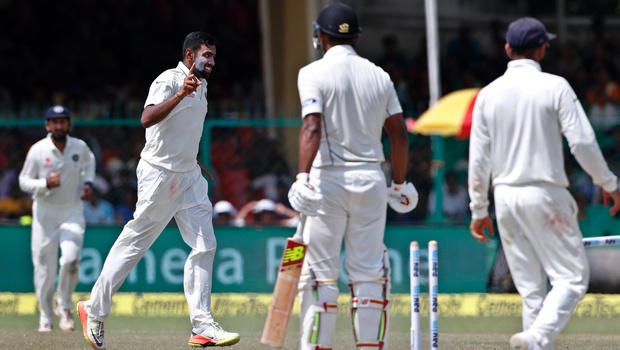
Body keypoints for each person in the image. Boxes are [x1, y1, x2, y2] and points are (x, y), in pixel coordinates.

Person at [77, 32, 240, 350]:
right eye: (207, 55)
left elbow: (183, 129)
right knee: (135, 243)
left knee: (205, 245)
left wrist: (193, 159)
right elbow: (147, 119)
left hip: (189, 176)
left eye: (215, 57)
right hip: (160, 176)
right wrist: (180, 94)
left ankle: (202, 325)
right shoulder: (169, 79)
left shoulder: (202, 86)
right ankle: (93, 309)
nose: (212, 62)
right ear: (190, 56)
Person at [468, 17, 620, 350]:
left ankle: (534, 342)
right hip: (544, 192)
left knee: (531, 290)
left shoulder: (487, 95)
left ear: (508, 49)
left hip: (505, 197)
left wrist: (479, 208)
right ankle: (537, 338)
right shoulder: (555, 86)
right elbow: (581, 141)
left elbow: (479, 159)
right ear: (542, 49)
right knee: (572, 277)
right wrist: (608, 182)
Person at [288, 3, 418, 349]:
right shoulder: (380, 75)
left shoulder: (312, 73)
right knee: (368, 276)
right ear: (357, 37)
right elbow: (399, 135)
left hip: (327, 182)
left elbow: (312, 125)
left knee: (321, 276)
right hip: (372, 182)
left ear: (320, 37)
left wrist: (301, 177)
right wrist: (400, 183)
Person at [19, 105, 96, 333]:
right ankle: (45, 315)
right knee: (44, 270)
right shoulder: (37, 150)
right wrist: (44, 184)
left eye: (63, 121)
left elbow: (89, 163)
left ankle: (64, 307)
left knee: (71, 260)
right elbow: (24, 181)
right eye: (55, 122)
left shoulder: (79, 147)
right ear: (48, 125)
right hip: (44, 215)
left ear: (69, 124)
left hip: (72, 211)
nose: (59, 125)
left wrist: (88, 183)